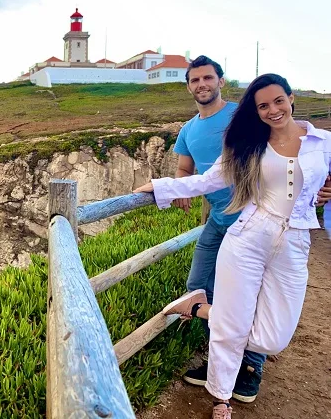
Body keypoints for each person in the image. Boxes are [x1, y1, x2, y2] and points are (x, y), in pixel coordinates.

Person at [134, 73, 331, 419]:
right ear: (255, 111)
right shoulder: (247, 145)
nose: (273, 110)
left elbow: (321, 185)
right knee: (232, 328)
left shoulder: (322, 142)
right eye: (263, 106)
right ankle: (221, 398)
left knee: (273, 338)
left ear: (291, 98)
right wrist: (163, 187)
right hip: (248, 237)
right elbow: (209, 179)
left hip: (296, 241)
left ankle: (197, 307)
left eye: (278, 101)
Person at [170, 55, 266, 402]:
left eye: (208, 78)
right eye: (195, 80)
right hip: (217, 219)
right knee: (198, 286)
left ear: (221, 81)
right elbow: (185, 168)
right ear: (189, 86)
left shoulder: (242, 115)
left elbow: (283, 144)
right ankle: (223, 358)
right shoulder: (188, 130)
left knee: (249, 296)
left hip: (251, 220)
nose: (202, 85)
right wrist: (181, 188)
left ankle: (250, 368)